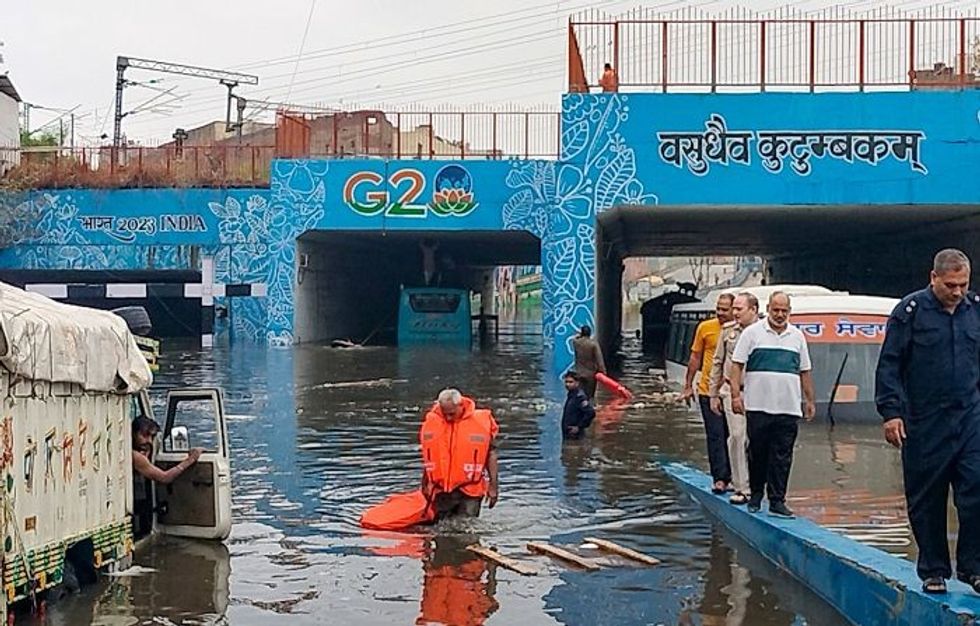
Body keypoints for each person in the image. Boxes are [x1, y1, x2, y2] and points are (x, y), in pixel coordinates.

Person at [875, 248, 980, 596]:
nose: (958, 292)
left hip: (969, 417)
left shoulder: (975, 310)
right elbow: (890, 364)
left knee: (976, 488)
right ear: (933, 278)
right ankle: (934, 570)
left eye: (963, 284)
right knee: (928, 498)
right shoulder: (910, 312)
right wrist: (891, 412)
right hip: (924, 420)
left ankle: (974, 568)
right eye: (950, 285)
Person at [730, 292, 815, 518]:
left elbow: (805, 371)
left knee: (782, 456)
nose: (779, 315)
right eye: (775, 310)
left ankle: (777, 500)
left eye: (784, 311)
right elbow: (737, 365)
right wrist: (735, 396)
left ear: (789, 312)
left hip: (788, 408)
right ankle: (756, 494)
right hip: (758, 406)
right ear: (768, 309)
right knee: (757, 453)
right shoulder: (751, 333)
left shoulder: (797, 336)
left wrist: (809, 400)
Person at [680, 293, 735, 494]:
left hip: (732, 392)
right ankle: (720, 478)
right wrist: (688, 385)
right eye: (718, 308)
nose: (720, 313)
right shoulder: (705, 328)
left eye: (725, 309)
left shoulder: (741, 331)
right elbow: (695, 357)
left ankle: (737, 478)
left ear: (734, 310)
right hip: (707, 390)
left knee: (735, 436)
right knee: (715, 435)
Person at [708, 292, 760, 505]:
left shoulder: (764, 332)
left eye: (739, 309)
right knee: (737, 437)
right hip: (732, 390)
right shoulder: (728, 332)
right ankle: (741, 488)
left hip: (759, 393)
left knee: (757, 440)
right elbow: (717, 362)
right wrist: (713, 394)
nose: (735, 313)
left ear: (753, 310)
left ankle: (759, 486)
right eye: (734, 309)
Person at [420, 389, 500, 520]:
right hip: (441, 491)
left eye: (451, 414)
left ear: (460, 405)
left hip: (471, 491)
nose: (448, 418)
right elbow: (431, 457)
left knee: (466, 528)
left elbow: (491, 454)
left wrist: (493, 486)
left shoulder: (482, 422)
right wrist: (424, 483)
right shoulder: (432, 422)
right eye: (445, 413)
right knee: (442, 528)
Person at [131, 416, 202, 484]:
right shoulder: (135, 456)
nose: (149, 441)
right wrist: (191, 459)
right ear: (132, 434)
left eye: (152, 437)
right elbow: (165, 477)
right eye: (144, 435)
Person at [572, 325, 606, 400]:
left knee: (580, 394)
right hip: (590, 374)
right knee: (590, 396)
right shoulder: (593, 344)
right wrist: (603, 372)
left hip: (579, 373)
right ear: (590, 333)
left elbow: (574, 338)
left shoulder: (576, 343)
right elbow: (599, 360)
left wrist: (579, 335)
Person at [561, 370, 596, 440]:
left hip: (575, 434)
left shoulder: (579, 397)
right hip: (567, 432)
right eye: (566, 382)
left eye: (571, 382)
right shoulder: (571, 395)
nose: (567, 384)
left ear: (577, 383)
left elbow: (590, 413)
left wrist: (579, 427)